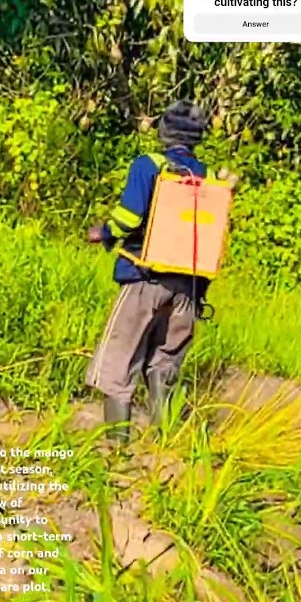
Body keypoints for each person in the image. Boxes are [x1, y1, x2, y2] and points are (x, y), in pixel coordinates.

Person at [84, 99, 230, 444]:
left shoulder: (149, 165)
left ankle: (116, 447)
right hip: (189, 288)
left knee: (118, 361)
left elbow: (130, 218)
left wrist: (102, 233)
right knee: (165, 364)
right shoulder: (207, 175)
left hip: (143, 278)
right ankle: (166, 445)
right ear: (197, 137)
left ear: (164, 132)